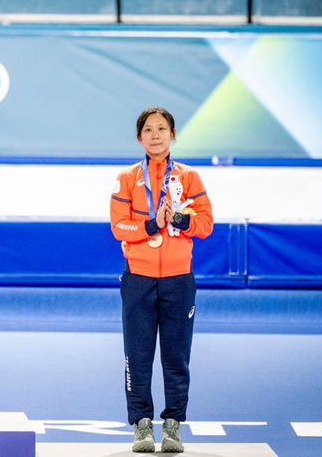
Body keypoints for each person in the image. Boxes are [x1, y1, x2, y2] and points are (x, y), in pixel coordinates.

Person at [109, 107, 214, 453]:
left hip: (178, 280)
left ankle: (173, 424)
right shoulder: (126, 179)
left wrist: (181, 220)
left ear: (173, 134)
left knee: (176, 355)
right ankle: (141, 425)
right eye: (149, 130)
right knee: (137, 355)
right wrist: (151, 226)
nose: (156, 135)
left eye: (162, 129)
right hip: (138, 279)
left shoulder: (190, 178)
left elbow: (206, 224)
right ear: (139, 137)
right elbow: (118, 226)